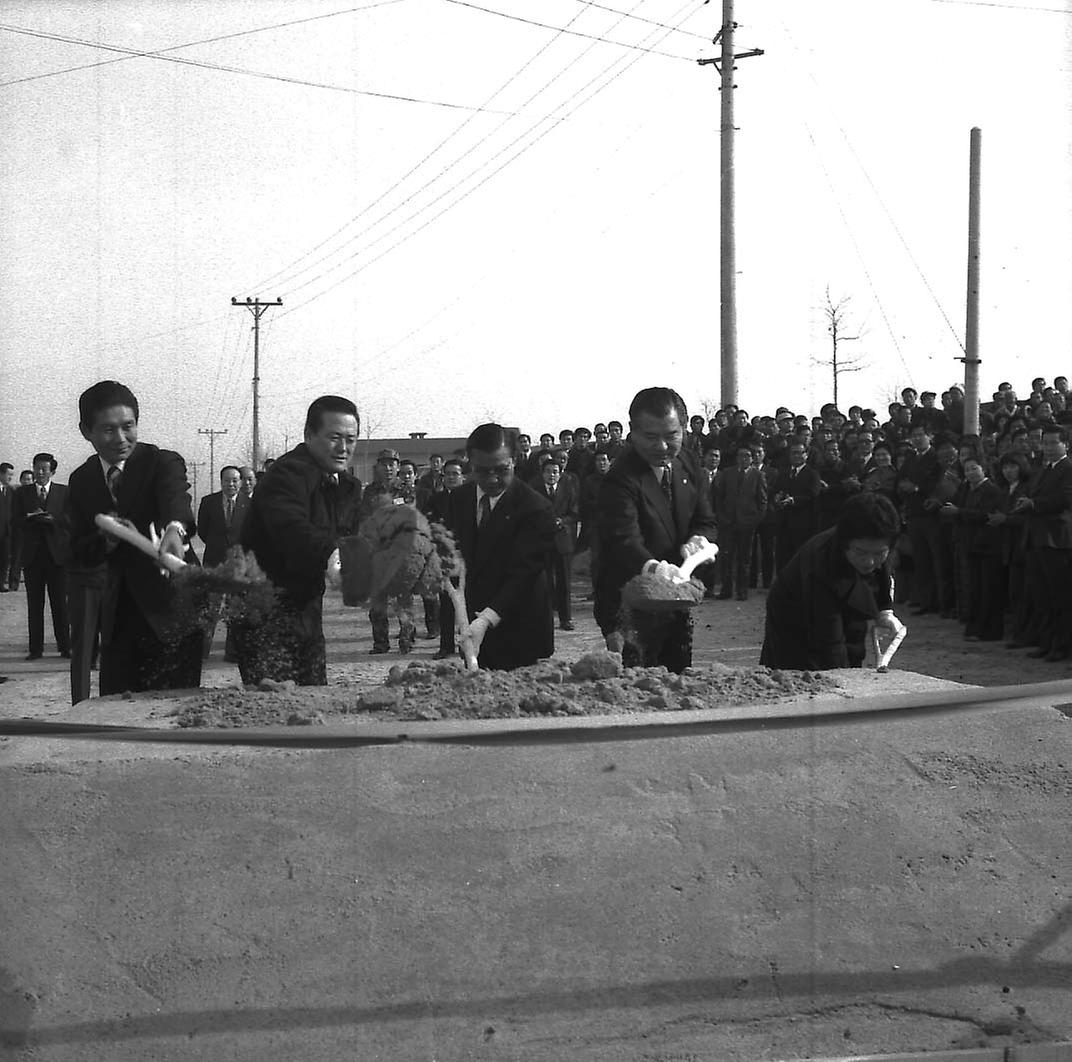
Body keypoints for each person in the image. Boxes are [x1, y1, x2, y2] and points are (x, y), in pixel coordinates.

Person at [66, 381, 203, 696]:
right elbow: (79, 549)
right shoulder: (82, 480)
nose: (121, 439)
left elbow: (176, 502)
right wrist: (107, 540)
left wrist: (174, 530)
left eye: (128, 427)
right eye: (108, 430)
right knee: (118, 712)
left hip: (172, 612)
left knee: (172, 715)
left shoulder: (161, 462)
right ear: (86, 431)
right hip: (119, 619)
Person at [233, 395, 362, 685]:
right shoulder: (287, 473)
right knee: (272, 712)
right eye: (334, 437)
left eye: (351, 439)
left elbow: (354, 535)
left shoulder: (348, 486)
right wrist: (332, 552)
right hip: (265, 613)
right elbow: (291, 527)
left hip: (308, 610)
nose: (343, 448)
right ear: (308, 435)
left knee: (313, 700)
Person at [594, 387, 718, 673]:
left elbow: (707, 519)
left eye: (671, 435)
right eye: (651, 437)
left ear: (684, 429)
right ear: (632, 432)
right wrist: (655, 570)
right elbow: (623, 540)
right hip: (631, 600)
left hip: (676, 597)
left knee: (676, 674)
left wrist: (699, 539)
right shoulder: (620, 478)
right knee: (638, 682)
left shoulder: (687, 462)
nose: (662, 446)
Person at [442, 423, 556, 670]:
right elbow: (453, 549)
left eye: (502, 470)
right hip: (474, 626)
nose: (492, 479)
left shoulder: (535, 507)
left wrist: (486, 619)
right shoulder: (459, 499)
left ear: (514, 460)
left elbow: (524, 574)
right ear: (469, 463)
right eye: (482, 471)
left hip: (522, 626)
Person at [759, 492, 903, 670]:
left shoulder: (877, 545)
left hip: (843, 591)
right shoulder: (820, 566)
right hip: (795, 610)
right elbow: (830, 644)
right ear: (845, 543)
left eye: (879, 553)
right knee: (801, 668)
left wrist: (884, 610)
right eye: (861, 553)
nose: (870, 562)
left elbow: (882, 568)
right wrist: (843, 680)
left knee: (853, 646)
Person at [12, 452, 71, 661]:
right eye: (36, 468)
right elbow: (15, 521)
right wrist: (30, 518)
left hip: (57, 557)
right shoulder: (22, 493)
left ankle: (65, 646)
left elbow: (70, 521)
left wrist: (52, 520)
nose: (39, 472)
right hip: (32, 557)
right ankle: (35, 649)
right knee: (34, 605)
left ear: (52, 471)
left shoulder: (64, 492)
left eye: (44, 469)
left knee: (60, 605)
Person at [196, 465, 249, 662]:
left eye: (235, 480)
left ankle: (233, 652)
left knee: (235, 609)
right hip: (214, 562)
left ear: (240, 482)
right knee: (211, 609)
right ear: (221, 482)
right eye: (227, 480)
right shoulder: (208, 502)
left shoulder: (249, 504)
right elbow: (203, 531)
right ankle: (202, 652)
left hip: (239, 564)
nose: (231, 484)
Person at [713, 445, 767, 601]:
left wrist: (755, 520)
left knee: (745, 559)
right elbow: (719, 498)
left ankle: (742, 590)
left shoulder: (758, 475)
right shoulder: (727, 474)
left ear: (751, 458)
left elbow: (762, 501)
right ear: (736, 458)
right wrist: (721, 517)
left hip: (747, 524)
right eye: (741, 456)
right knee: (726, 557)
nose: (744, 459)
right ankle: (726, 589)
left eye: (747, 456)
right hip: (728, 523)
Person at [538, 454, 580, 631]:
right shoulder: (533, 489)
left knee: (564, 582)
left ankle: (566, 618)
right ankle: (544, 619)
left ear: (560, 473)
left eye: (555, 472)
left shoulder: (568, 489)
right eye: (548, 472)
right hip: (542, 541)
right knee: (544, 582)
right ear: (542, 474)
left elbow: (575, 513)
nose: (551, 475)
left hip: (563, 540)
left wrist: (562, 521)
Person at [0, 462, 14, 591]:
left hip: (6, 532)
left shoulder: (10, 490)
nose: (10, 478)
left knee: (4, 559)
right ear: (1, 473)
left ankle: (1, 583)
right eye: (9, 474)